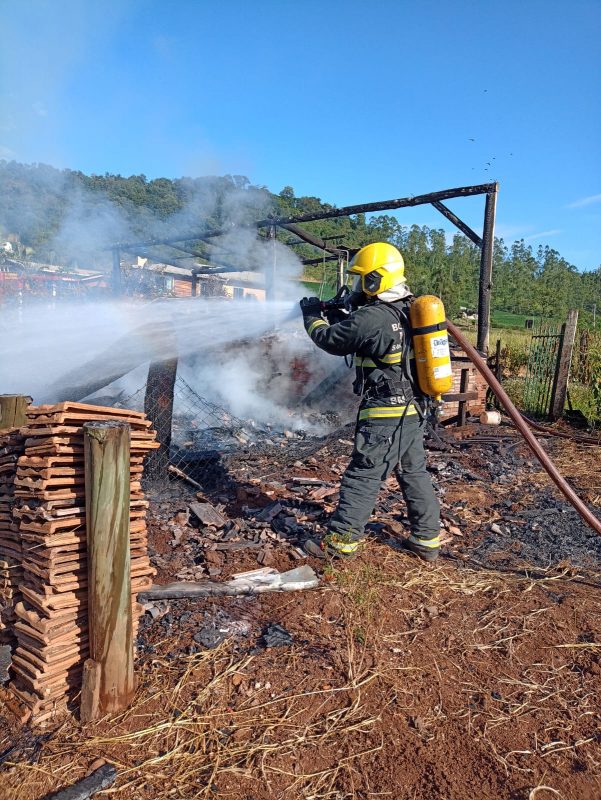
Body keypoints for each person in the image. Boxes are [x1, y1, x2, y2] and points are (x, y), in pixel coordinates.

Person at [299, 242, 441, 562]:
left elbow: (331, 339)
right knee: (413, 471)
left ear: (376, 280)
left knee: (364, 472)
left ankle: (340, 543)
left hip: (386, 413)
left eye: (362, 279)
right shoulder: (408, 310)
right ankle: (427, 539)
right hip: (414, 408)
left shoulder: (374, 316)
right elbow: (357, 333)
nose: (358, 287)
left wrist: (311, 316)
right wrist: (338, 313)